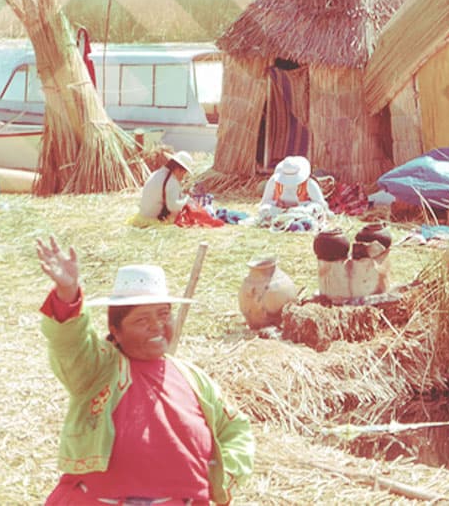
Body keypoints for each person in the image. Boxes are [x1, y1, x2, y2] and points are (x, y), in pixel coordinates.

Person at [36, 236, 255, 505]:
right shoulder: (97, 368)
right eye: (142, 319)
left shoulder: (192, 378)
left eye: (164, 314)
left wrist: (223, 477)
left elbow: (235, 429)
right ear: (116, 330)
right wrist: (67, 292)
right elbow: (69, 343)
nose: (157, 326)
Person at [257, 155, 328, 223]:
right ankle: (284, 218)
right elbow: (265, 202)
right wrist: (276, 204)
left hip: (301, 211)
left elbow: (320, 204)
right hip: (278, 211)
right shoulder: (274, 181)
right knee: (264, 209)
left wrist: (302, 207)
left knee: (315, 209)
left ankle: (292, 217)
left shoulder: (309, 183)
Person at [137, 151, 194, 224]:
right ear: (178, 170)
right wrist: (186, 199)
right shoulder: (172, 181)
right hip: (152, 222)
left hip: (141, 217)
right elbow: (173, 207)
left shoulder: (157, 173)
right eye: (184, 173)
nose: (183, 177)